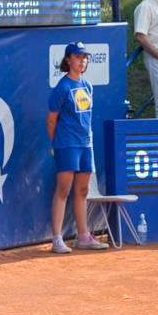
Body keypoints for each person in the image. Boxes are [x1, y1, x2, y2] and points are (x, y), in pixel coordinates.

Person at [46, 42, 108, 254]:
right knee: (63, 190)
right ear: (68, 60)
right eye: (78, 57)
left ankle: (83, 236)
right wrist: (56, 145)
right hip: (66, 145)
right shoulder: (62, 88)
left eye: (85, 57)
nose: (82, 60)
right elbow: (51, 121)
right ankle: (56, 239)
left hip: (85, 144)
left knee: (81, 191)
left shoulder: (88, 86)